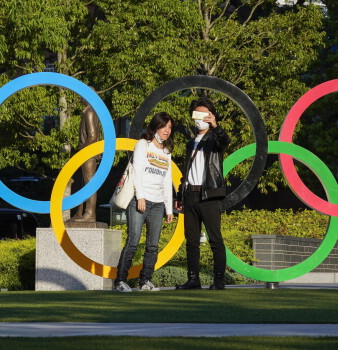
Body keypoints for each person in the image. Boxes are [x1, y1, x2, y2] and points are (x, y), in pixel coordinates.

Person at [114, 112, 174, 292]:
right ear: (155, 127)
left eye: (170, 127)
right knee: (133, 241)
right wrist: (140, 196)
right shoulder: (142, 145)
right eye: (164, 127)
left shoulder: (166, 151)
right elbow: (137, 172)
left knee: (153, 245)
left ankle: (145, 280)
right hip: (139, 201)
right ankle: (120, 281)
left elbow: (166, 180)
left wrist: (169, 208)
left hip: (157, 204)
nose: (167, 131)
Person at [175, 98, 230, 290]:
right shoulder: (190, 143)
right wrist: (179, 195)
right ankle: (193, 279)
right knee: (191, 240)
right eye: (196, 114)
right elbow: (186, 172)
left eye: (204, 114)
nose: (200, 118)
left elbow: (225, 141)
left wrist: (216, 126)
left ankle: (218, 280)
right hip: (190, 194)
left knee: (215, 238)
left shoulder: (214, 139)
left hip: (209, 194)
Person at [71, 93, 101, 222]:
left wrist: (82, 152)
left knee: (89, 183)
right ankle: (79, 212)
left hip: (89, 153)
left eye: (82, 96)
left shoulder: (89, 112)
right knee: (84, 184)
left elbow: (92, 135)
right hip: (88, 152)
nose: (80, 98)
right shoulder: (89, 111)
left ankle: (90, 213)